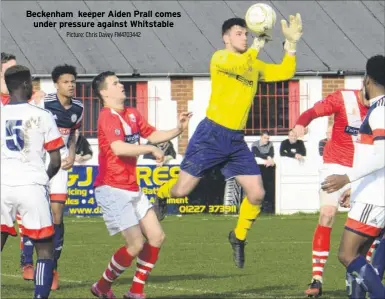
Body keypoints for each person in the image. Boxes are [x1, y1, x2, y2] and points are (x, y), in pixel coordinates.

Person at [153, 15, 303, 269]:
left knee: (257, 194)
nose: (244, 37)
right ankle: (161, 193)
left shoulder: (253, 64)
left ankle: (238, 236)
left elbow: (286, 71)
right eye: (238, 33)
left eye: (246, 33)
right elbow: (240, 66)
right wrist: (257, 45)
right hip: (211, 135)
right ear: (225, 38)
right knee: (182, 190)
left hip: (235, 139)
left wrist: (291, 46)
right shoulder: (220, 58)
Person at [90, 71, 191, 299]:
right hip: (112, 188)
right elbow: (118, 148)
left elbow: (152, 134)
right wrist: (149, 149)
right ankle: (102, 286)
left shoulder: (133, 113)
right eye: (115, 83)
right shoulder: (107, 116)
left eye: (120, 81)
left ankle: (135, 292)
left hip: (132, 188)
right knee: (135, 245)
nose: (121, 85)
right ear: (104, 92)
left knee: (157, 236)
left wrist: (178, 129)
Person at [292, 88, 368, 297]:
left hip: (363, 171)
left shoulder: (381, 107)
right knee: (327, 214)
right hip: (333, 166)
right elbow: (313, 112)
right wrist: (301, 122)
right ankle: (317, 279)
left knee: (366, 226)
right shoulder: (343, 98)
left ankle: (358, 273)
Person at [321, 55, 385, 299]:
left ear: (367, 80)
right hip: (370, 192)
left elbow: (381, 155)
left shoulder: (379, 110)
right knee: (359, 258)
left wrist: (345, 178)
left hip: (375, 197)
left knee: (346, 255)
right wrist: (355, 187)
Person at [1, 65, 64, 299]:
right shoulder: (41, 114)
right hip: (31, 186)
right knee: (45, 249)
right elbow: (56, 160)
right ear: (26, 85)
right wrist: (42, 179)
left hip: (2, 186)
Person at [20, 64, 83, 289]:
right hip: (40, 162)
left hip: (62, 164)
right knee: (34, 210)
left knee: (57, 216)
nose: (71, 85)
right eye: (66, 82)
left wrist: (73, 153)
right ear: (56, 84)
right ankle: (27, 260)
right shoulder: (43, 102)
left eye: (73, 82)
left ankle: (51, 266)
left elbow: (74, 132)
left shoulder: (79, 107)